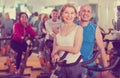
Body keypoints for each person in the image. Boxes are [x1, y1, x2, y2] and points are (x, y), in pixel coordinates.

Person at [78, 4, 115, 78]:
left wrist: (105, 68)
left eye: (88, 11)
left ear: (91, 14)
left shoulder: (95, 28)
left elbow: (101, 49)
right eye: (83, 11)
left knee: (107, 76)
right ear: (79, 13)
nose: (86, 13)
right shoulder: (73, 25)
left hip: (89, 63)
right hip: (75, 64)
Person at [50, 4, 83, 78]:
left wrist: (59, 47)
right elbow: (54, 50)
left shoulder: (78, 29)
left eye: (72, 13)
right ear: (61, 13)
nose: (69, 15)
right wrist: (55, 55)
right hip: (61, 66)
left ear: (75, 15)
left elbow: (76, 50)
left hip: (74, 65)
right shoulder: (57, 30)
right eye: (66, 12)